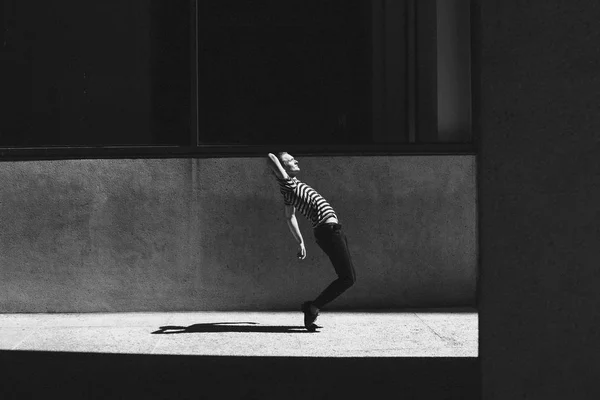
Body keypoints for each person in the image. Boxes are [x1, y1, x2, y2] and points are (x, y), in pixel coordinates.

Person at [266, 152, 356, 332]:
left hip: (331, 231)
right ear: (282, 169)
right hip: (328, 232)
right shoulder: (288, 184)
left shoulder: (291, 189)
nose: (296, 161)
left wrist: (300, 242)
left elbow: (290, 216)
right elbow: (270, 157)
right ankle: (313, 307)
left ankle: (313, 307)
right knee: (347, 278)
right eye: (291, 160)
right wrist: (279, 169)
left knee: (348, 277)